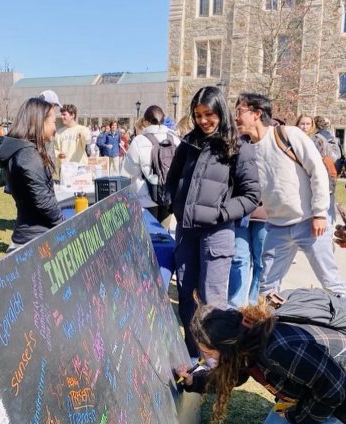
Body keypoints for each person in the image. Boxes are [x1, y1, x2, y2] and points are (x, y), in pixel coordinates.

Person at [175, 298, 346, 424]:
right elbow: (233, 376)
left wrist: (296, 416)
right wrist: (193, 381)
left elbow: (334, 390)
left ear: (227, 346)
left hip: (340, 394)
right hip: (320, 389)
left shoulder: (279, 350)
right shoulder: (246, 341)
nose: (205, 358)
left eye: (209, 353)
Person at [165, 86, 261, 357]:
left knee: (212, 301)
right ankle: (193, 355)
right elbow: (171, 181)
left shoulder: (238, 146)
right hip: (186, 232)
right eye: (198, 115)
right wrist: (177, 205)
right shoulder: (188, 143)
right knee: (187, 298)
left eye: (209, 114)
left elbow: (252, 195)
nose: (203, 120)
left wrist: (220, 213)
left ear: (221, 111)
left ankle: (215, 364)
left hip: (217, 234)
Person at [234, 93, 346, 297]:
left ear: (257, 114)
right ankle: (269, 327)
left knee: (332, 284)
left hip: (310, 223)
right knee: (266, 289)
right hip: (276, 227)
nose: (236, 118)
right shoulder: (247, 149)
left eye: (239, 112)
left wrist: (320, 213)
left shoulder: (288, 134)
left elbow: (317, 171)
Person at [0, 98, 63, 251]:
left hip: (33, 236)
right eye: (53, 122)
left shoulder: (26, 152)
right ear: (40, 121)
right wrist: (65, 225)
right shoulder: (28, 156)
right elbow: (43, 200)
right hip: (34, 241)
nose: (55, 128)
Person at [123, 105, 180, 228]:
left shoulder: (139, 141)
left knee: (149, 234)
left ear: (145, 121)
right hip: (168, 194)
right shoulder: (175, 139)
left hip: (146, 196)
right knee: (164, 236)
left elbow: (128, 171)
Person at [296, 114, 337, 225]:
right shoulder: (292, 140)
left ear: (312, 125)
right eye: (302, 124)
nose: (304, 127)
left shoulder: (318, 140)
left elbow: (331, 158)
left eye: (307, 124)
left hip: (319, 179)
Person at [54, 104, 90, 171]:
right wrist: (58, 154)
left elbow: (87, 138)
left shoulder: (82, 129)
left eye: (64, 114)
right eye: (61, 114)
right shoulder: (59, 132)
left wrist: (82, 134)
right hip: (65, 168)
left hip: (79, 167)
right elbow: (55, 149)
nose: (62, 117)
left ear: (72, 115)